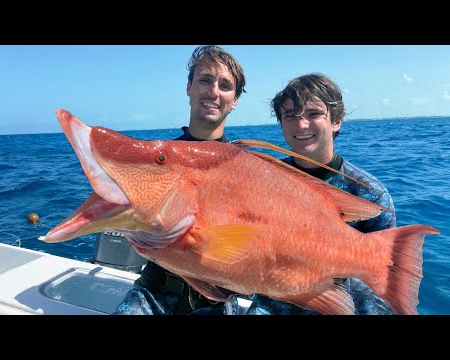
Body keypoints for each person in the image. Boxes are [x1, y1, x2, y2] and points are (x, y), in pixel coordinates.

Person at [246, 73, 396, 315]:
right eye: (291, 116)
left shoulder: (369, 194)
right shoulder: (262, 181)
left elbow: (381, 284)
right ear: (281, 124)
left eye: (314, 114)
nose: (301, 124)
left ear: (336, 121)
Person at [113, 45, 247, 315]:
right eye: (205, 80)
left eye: (225, 85)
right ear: (189, 88)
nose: (213, 92)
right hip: (154, 292)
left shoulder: (246, 169)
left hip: (218, 299)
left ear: (235, 100)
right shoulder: (157, 160)